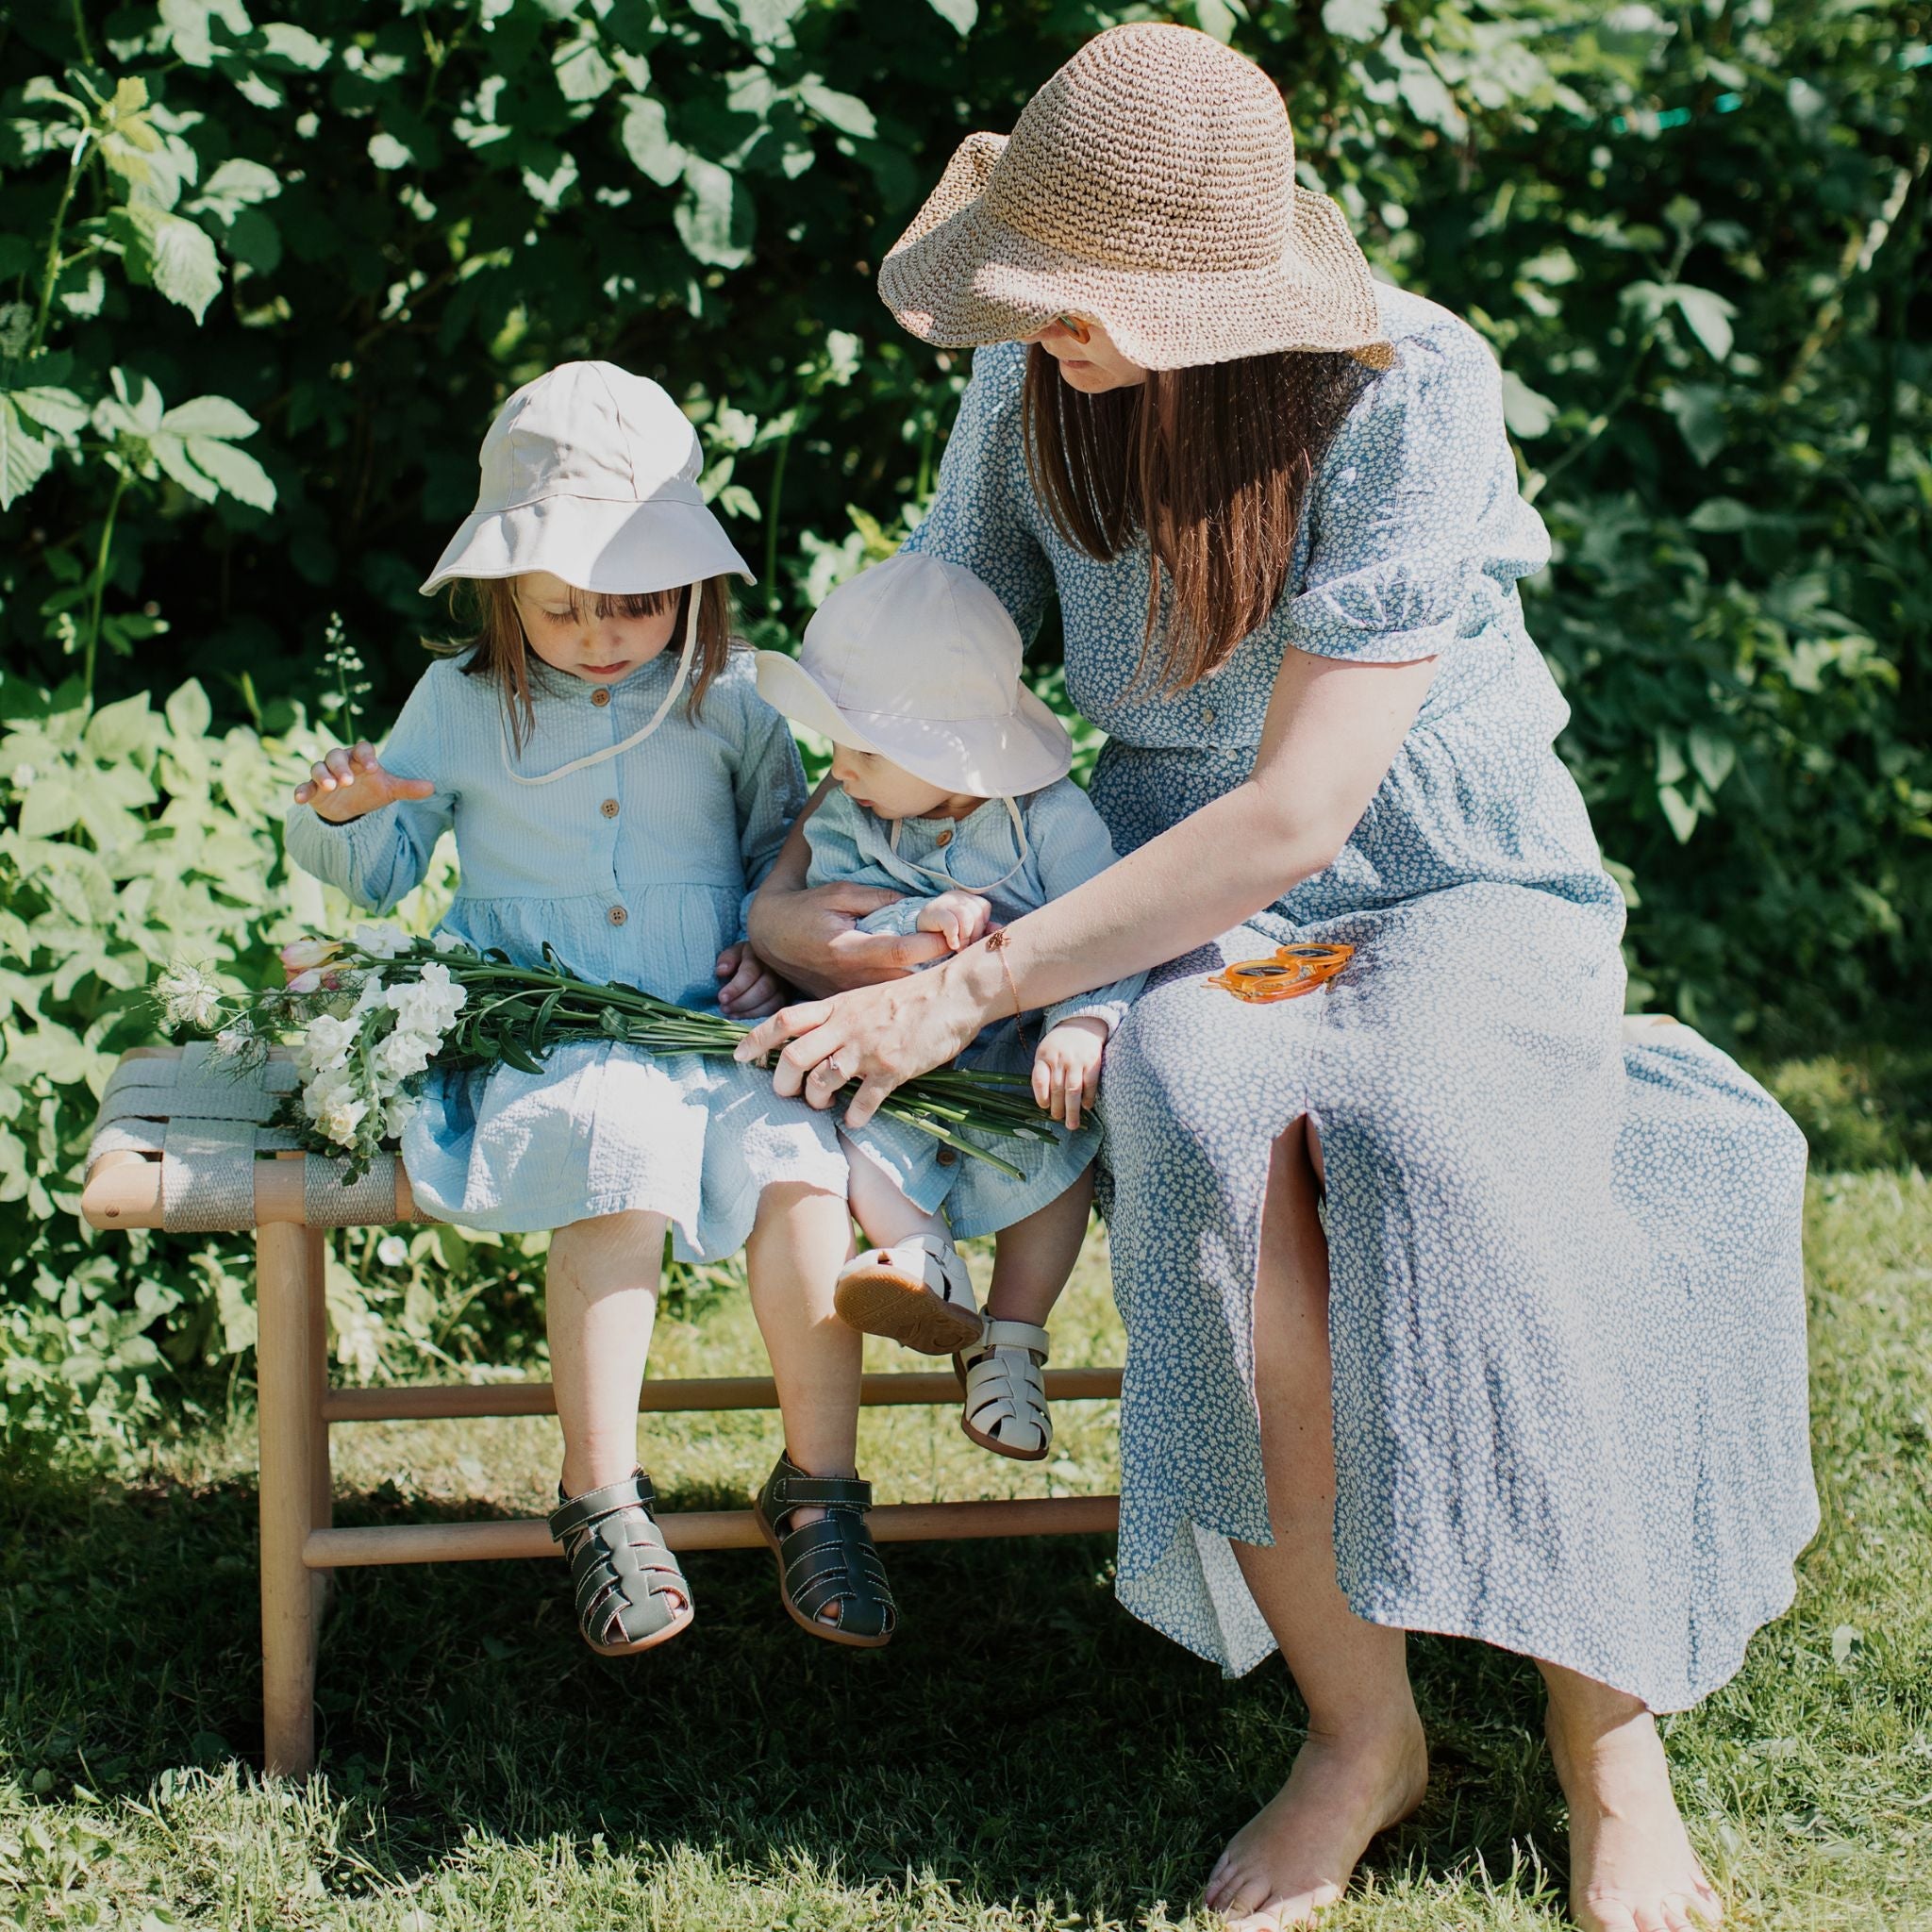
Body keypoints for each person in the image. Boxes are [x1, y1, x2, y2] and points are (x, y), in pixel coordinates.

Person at [737, 24, 1815, 1930]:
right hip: (1169, 890)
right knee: (1200, 1117)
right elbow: (939, 655)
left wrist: (964, 999)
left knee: (1453, 1141)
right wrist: (817, 880)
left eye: (1082, 300)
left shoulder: (1409, 387)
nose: (1043, 327)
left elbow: (1304, 811)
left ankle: (1605, 1747)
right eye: (1029, 288)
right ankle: (1356, 1728)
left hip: (1438, 870)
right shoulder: (1028, 382)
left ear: (1215, 286)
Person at [286, 360, 898, 1655]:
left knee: (801, 1171)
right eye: (565, 608)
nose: (602, 632)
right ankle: (601, 1492)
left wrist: (773, 956)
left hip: (708, 1030)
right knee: (614, 1155)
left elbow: (781, 862)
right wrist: (343, 816)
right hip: (545, 1035)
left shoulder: (728, 705)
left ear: (693, 586)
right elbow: (387, 868)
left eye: (635, 602)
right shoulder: (459, 705)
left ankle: (821, 1486)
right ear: (506, 591)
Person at [753, 551, 1142, 1459]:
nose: (838, 770)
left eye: (866, 751)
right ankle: (923, 1260)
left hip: (1020, 1060)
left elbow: (1110, 924)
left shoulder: (1050, 821)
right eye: (836, 746)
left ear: (952, 755)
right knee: (855, 1131)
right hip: (895, 1057)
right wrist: (906, 916)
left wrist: (1084, 1021)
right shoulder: (854, 817)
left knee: (1062, 1153)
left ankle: (1011, 1342)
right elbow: (832, 918)